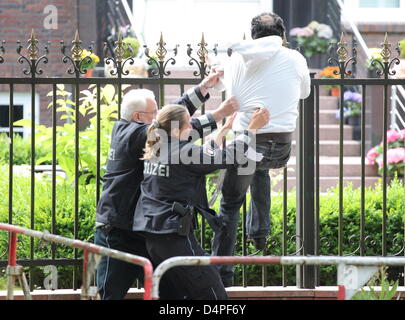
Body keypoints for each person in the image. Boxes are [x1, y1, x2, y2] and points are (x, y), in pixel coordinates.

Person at [94, 70, 239, 300]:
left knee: (168, 292)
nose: (156, 117)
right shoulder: (136, 135)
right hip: (118, 231)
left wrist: (202, 89)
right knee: (111, 295)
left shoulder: (132, 128)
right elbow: (175, 127)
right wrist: (219, 114)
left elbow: (170, 119)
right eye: (153, 114)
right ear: (139, 116)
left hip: (140, 228)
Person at [211, 12, 311, 287]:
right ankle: (259, 232)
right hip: (279, 147)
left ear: (252, 35)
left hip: (248, 144)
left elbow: (231, 93)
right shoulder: (295, 59)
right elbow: (304, 93)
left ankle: (222, 276)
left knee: (230, 206)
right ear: (282, 35)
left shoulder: (236, 60)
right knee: (259, 169)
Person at [133, 104, 269, 300]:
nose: (191, 127)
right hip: (173, 236)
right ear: (175, 129)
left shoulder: (157, 148)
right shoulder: (181, 152)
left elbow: (197, 158)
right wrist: (251, 130)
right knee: (214, 293)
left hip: (153, 237)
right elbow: (229, 157)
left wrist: (221, 132)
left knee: (178, 296)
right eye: (188, 123)